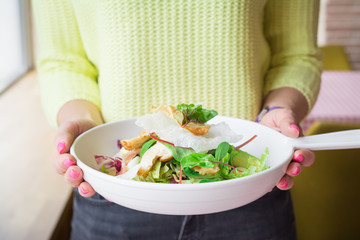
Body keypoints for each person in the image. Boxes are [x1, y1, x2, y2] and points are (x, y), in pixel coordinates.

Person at [32, 0, 320, 239]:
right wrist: (80, 120)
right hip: (114, 196)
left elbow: (295, 55)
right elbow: (63, 62)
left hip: (250, 194)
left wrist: (279, 111)